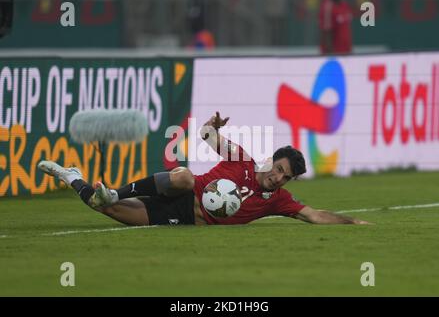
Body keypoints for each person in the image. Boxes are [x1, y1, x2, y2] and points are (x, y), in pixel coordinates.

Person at [38, 112, 369, 226]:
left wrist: (352, 220)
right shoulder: (242, 160)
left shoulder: (277, 200)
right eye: (279, 169)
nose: (279, 178)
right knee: (184, 176)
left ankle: (72, 176)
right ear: (271, 160)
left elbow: (314, 215)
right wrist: (212, 126)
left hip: (181, 217)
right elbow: (207, 136)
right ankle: (117, 191)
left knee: (104, 209)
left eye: (286, 177)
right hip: (176, 189)